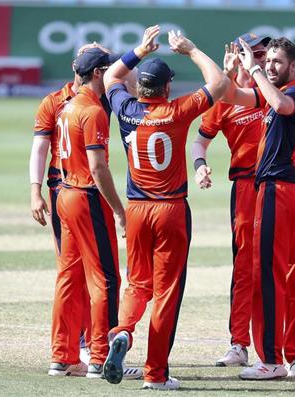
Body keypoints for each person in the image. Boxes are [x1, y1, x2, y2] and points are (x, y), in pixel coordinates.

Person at [101, 26, 227, 390]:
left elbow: (112, 76)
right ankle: (156, 374)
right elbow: (218, 83)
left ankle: (123, 331)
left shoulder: (124, 108)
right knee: (166, 291)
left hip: (137, 209)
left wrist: (138, 51)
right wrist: (190, 50)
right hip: (170, 209)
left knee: (136, 284)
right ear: (167, 87)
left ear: (140, 86)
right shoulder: (176, 111)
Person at [223, 37, 295, 380]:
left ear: (293, 67)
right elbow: (233, 98)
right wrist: (231, 72)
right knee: (289, 274)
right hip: (285, 190)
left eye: (277, 62)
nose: (271, 66)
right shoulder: (271, 92)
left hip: (277, 188)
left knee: (268, 276)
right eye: (268, 60)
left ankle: (271, 359)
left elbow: (282, 105)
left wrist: (256, 69)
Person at [190, 32, 270, 367]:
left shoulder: (271, 89)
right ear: (237, 55)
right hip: (245, 188)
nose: (262, 58)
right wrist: (200, 166)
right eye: (255, 52)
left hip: (281, 185)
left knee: (293, 264)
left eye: (264, 52)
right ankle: (239, 342)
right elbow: (200, 141)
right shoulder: (224, 102)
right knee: (246, 266)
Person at [51, 47, 125, 379]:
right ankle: (101, 357)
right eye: (107, 69)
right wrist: (119, 210)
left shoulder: (68, 107)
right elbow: (98, 167)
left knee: (69, 279)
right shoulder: (93, 111)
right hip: (86, 198)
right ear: (98, 73)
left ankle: (62, 357)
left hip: (65, 194)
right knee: (106, 280)